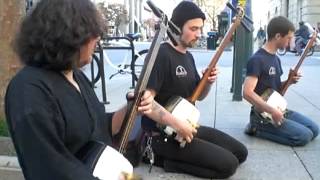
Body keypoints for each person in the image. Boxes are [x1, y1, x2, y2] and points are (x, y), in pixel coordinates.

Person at [4, 0, 160, 179]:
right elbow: (50, 167)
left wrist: (131, 108)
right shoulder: (29, 90)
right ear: (69, 37)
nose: (98, 41)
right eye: (92, 34)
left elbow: (99, 127)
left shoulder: (76, 75)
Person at [141, 1, 248, 179]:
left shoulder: (188, 57)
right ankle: (162, 159)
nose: (199, 34)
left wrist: (208, 82)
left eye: (200, 28)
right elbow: (145, 103)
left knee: (240, 153)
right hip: (162, 136)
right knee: (228, 165)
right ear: (176, 26)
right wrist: (177, 124)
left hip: (185, 127)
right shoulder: (161, 55)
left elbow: (199, 97)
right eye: (193, 28)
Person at [243, 16, 319, 146]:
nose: (291, 41)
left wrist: (289, 81)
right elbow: (247, 93)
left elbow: (277, 91)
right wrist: (272, 112)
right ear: (278, 36)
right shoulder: (257, 59)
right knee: (303, 136)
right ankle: (256, 128)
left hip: (278, 109)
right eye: (289, 38)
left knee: (315, 130)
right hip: (263, 115)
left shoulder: (276, 59)